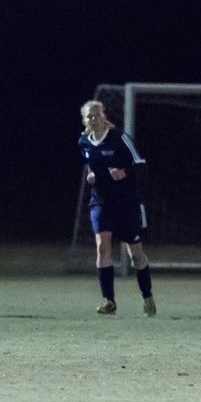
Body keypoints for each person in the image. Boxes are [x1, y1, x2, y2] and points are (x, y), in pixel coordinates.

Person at [77, 99, 156, 316]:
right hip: (101, 202)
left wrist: (124, 173)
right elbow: (90, 166)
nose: (94, 119)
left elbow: (141, 166)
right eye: (89, 116)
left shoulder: (120, 138)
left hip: (126, 203)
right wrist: (92, 176)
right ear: (85, 121)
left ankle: (147, 296)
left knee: (135, 254)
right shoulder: (83, 142)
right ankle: (109, 301)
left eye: (97, 114)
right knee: (103, 247)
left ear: (104, 116)